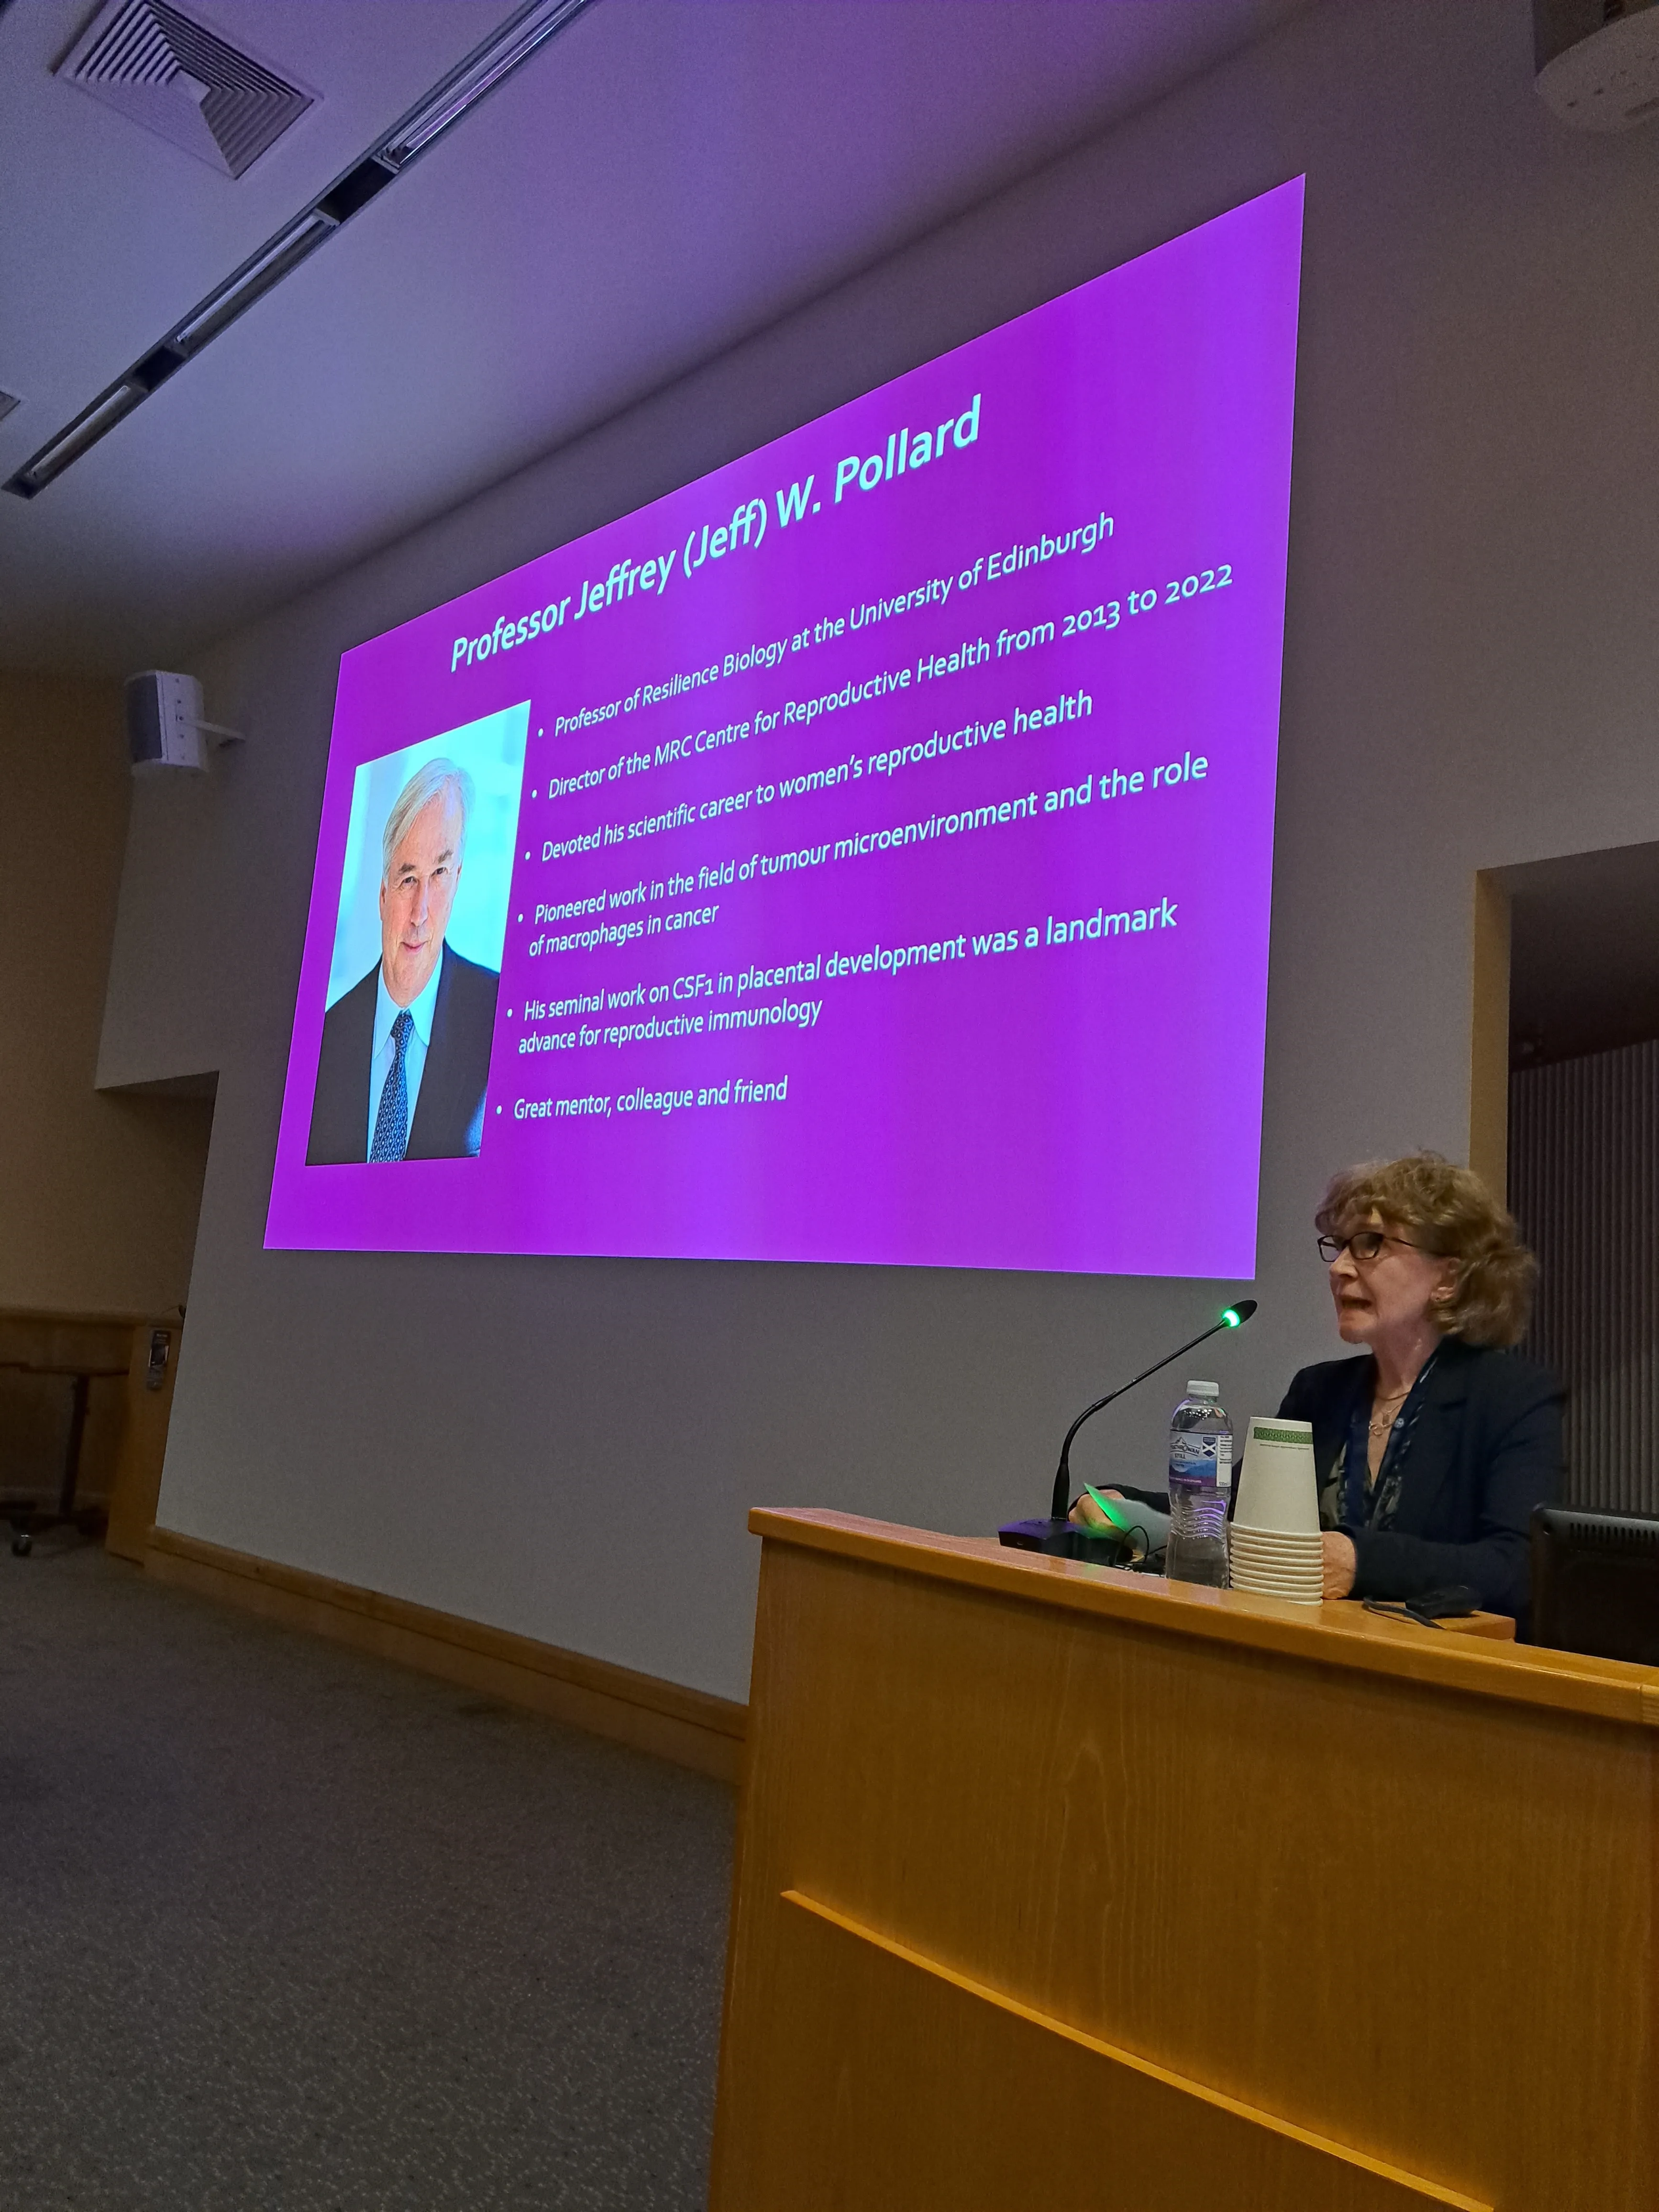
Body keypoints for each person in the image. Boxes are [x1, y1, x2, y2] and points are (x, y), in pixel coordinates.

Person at [1280, 1153, 1561, 1619]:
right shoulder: (1317, 1392)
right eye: (1341, 1244)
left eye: (1369, 1244)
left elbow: (1519, 1568)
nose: (1340, 1268)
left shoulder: (1511, 1398)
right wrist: (1129, 1512)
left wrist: (1361, 1562)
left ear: (1447, 1279)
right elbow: (1236, 1514)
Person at [306, 759, 499, 1164]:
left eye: (440, 873)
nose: (421, 912)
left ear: (459, 879)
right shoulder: (324, 1041)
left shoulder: (501, 1019)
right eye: (408, 879)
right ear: (382, 894)